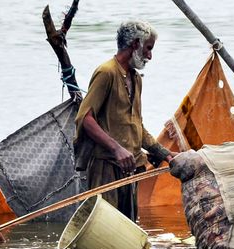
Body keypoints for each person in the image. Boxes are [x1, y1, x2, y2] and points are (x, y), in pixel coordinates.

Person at [74, 20, 174, 221]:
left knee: (127, 226)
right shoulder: (106, 72)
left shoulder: (136, 79)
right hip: (106, 167)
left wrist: (165, 154)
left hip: (132, 168)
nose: (150, 56)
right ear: (135, 44)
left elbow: (137, 126)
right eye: (148, 48)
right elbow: (85, 118)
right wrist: (116, 149)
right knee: (105, 226)